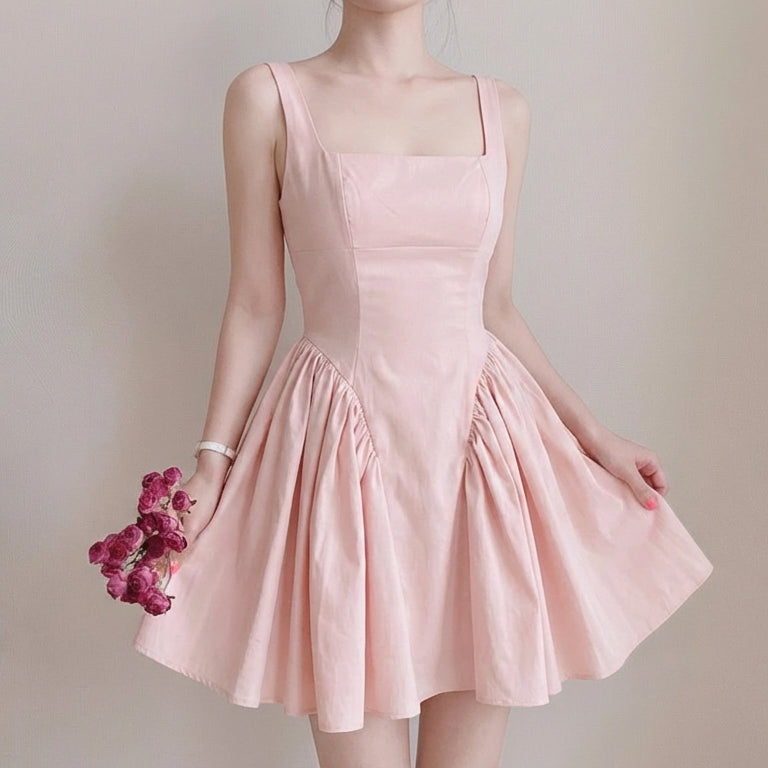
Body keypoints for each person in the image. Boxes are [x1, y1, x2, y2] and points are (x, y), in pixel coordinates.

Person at [132, 2, 714, 767]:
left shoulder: (500, 108)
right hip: (341, 451)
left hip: (480, 452)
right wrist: (214, 458)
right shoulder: (268, 97)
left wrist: (594, 437)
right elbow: (255, 302)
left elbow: (495, 308)